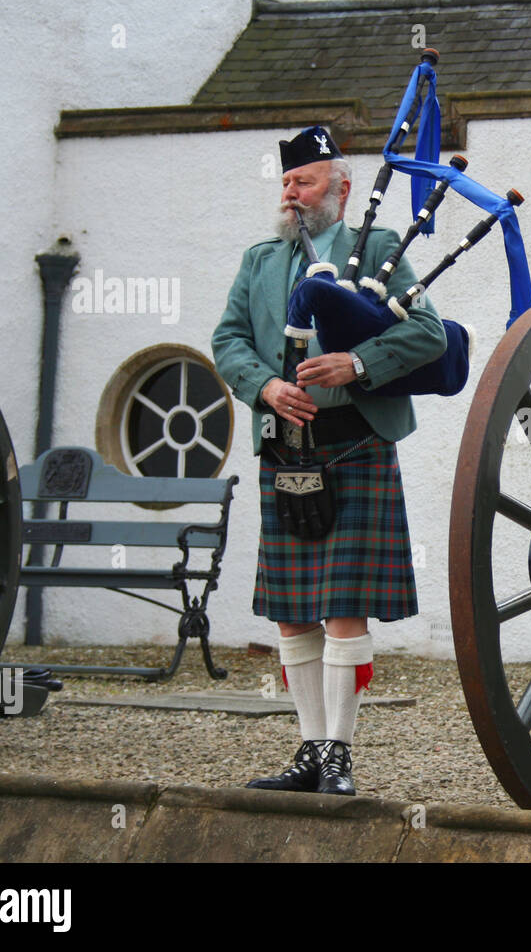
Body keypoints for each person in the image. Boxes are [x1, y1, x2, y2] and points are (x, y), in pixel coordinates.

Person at [211, 126, 445, 794]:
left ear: (340, 188)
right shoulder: (260, 260)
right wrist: (265, 386)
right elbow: (227, 338)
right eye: (285, 182)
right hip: (287, 446)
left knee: (344, 602)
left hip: (357, 438)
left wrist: (359, 362)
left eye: (304, 180)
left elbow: (428, 333)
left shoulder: (378, 250)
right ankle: (310, 751)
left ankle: (339, 753)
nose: (290, 193)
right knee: (291, 608)